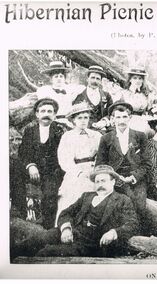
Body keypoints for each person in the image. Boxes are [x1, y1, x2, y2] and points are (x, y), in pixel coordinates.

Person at [11, 165, 139, 258]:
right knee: (36, 240)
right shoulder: (87, 196)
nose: (100, 184)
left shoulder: (122, 200)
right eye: (97, 181)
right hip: (72, 232)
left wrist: (113, 233)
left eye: (103, 181)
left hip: (91, 244)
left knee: (46, 253)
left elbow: (132, 224)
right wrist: (66, 229)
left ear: (113, 182)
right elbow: (66, 213)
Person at [95, 100, 148, 226]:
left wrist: (133, 177)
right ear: (113, 119)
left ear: (130, 118)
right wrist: (114, 177)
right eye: (118, 117)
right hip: (115, 177)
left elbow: (146, 163)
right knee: (117, 204)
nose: (122, 120)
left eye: (125, 117)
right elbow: (100, 164)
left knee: (139, 203)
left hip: (136, 178)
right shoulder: (106, 138)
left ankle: (138, 232)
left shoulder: (140, 136)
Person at [18, 98, 65, 229]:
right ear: (37, 114)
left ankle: (47, 227)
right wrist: (31, 166)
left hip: (53, 171)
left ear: (55, 115)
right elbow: (23, 152)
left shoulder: (60, 131)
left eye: (50, 111)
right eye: (43, 111)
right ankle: (21, 219)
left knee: (50, 195)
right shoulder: (30, 131)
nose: (46, 114)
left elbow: (64, 154)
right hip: (33, 169)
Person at [55, 102, 102, 225]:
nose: (83, 121)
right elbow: (64, 159)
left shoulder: (96, 135)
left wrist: (95, 170)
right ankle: (65, 226)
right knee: (72, 196)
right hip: (75, 170)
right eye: (79, 118)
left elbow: (102, 156)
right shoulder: (67, 136)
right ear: (73, 120)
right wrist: (79, 172)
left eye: (86, 117)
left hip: (93, 170)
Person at [37, 61, 82, 126]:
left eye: (61, 76)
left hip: (68, 122)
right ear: (51, 79)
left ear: (64, 78)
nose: (59, 79)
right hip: (52, 122)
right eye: (56, 76)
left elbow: (82, 88)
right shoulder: (45, 90)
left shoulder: (69, 89)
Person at [72, 65, 113, 131]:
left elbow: (111, 112)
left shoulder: (106, 95)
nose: (95, 81)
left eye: (98, 79)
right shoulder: (80, 95)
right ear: (87, 79)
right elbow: (75, 115)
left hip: (102, 129)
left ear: (100, 81)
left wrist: (104, 122)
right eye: (92, 78)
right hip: (85, 129)